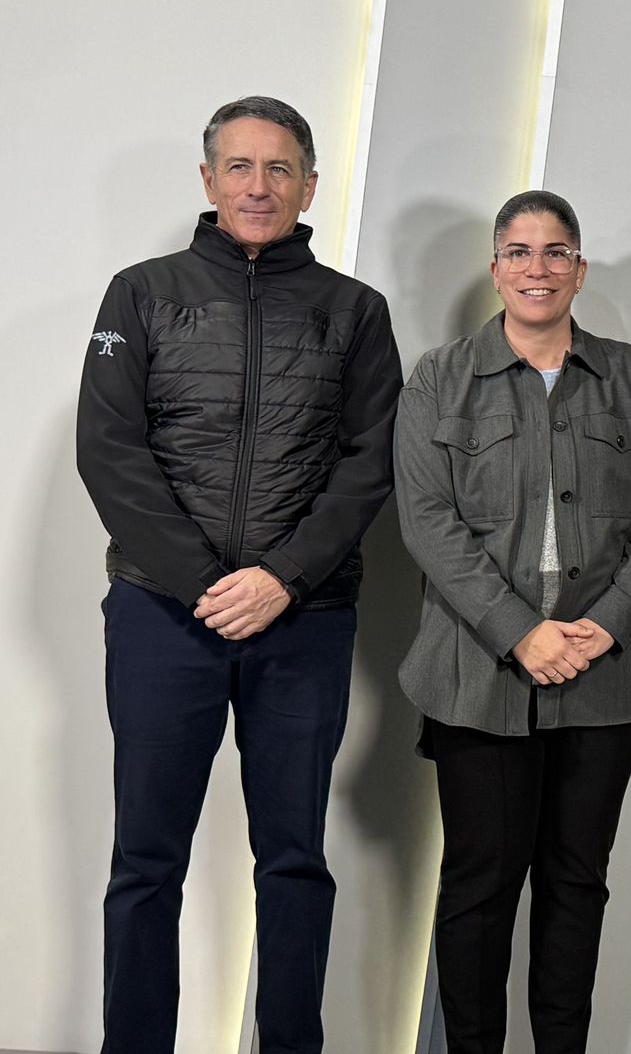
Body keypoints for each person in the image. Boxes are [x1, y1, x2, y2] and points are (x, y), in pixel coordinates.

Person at [77, 96, 402, 1053]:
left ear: (309, 183)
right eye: (238, 167)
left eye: (278, 169)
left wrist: (283, 580)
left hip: (303, 622)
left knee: (294, 860)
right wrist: (201, 584)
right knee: (145, 862)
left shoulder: (356, 311)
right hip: (159, 617)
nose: (258, 186)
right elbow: (111, 453)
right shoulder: (139, 293)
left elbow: (369, 462)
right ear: (209, 180)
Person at [394, 190, 631, 1052]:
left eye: (556, 251)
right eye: (519, 252)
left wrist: (609, 620)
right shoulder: (438, 379)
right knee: (480, 885)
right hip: (476, 679)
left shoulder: (630, 376)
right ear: (495, 270)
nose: (538, 268)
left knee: (576, 883)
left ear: (579, 269)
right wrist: (521, 631)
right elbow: (427, 522)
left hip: (608, 677)